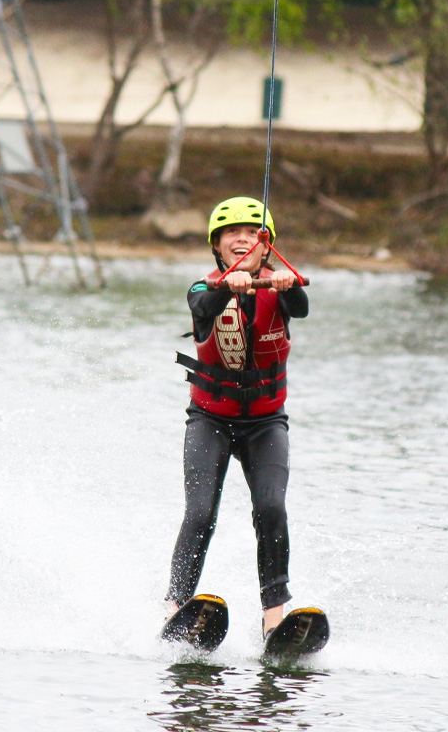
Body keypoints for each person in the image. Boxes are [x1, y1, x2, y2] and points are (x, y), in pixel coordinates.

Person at [164, 197, 309, 639]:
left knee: (271, 509)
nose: (242, 238)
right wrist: (232, 284)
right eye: (231, 232)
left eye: (252, 232)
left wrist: (287, 284)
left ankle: (274, 618)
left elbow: (301, 306)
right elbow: (206, 307)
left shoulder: (281, 289)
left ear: (267, 246)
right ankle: (174, 607)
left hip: (266, 422)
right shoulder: (201, 289)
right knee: (201, 512)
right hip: (210, 420)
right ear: (216, 245)